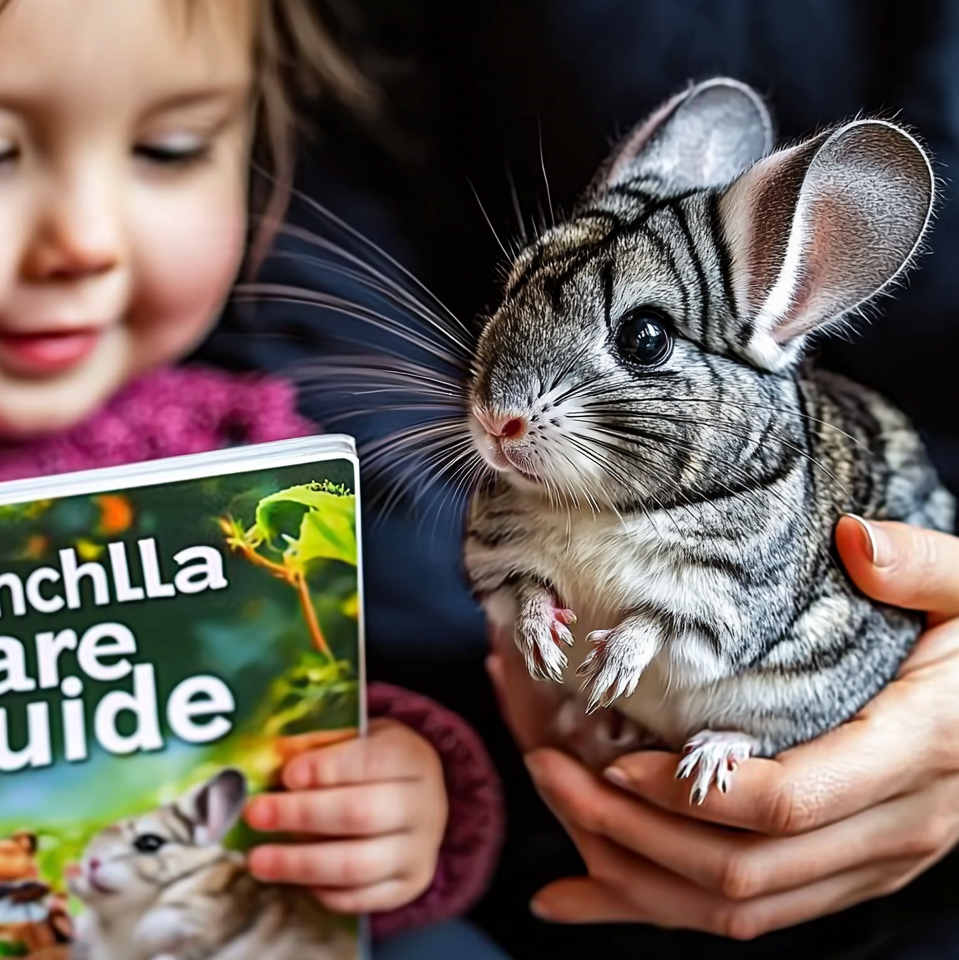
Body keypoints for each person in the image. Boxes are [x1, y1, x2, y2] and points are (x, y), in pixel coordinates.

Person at [0, 2, 510, 959]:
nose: (85, 240)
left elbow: (309, 791)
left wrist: (393, 810)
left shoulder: (248, 460)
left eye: (170, 148)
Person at [196, 1, 959, 957]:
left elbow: (735, 606)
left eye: (639, 341)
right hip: (481, 774)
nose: (504, 407)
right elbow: (327, 194)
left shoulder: (757, 490)